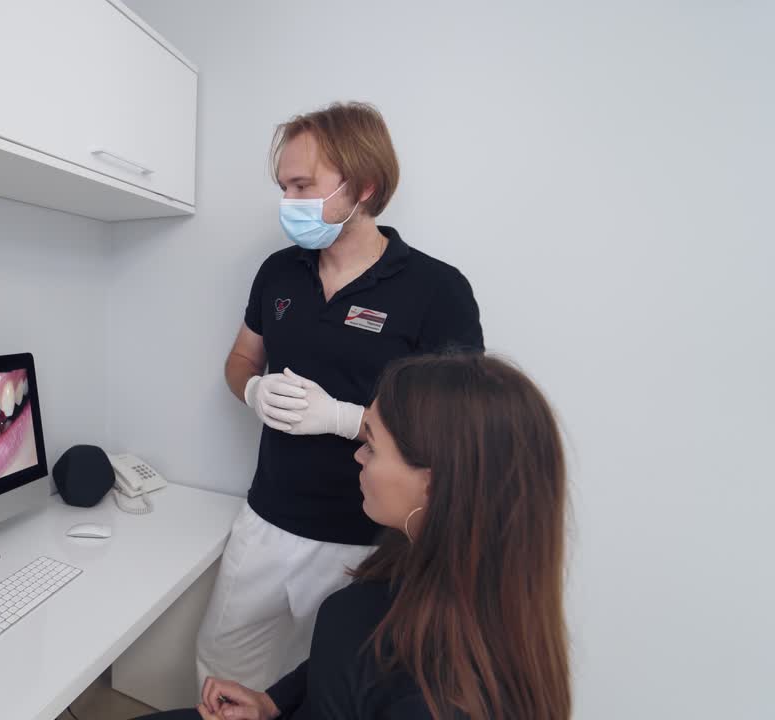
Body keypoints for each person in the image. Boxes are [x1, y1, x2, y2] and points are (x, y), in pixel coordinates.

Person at [201, 102, 484, 692]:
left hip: (369, 547)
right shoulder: (278, 272)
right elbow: (239, 360)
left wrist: (344, 418)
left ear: (364, 186)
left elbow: (456, 436)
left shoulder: (438, 291)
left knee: (324, 696)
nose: (289, 202)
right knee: (223, 678)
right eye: (283, 186)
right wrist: (252, 390)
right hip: (266, 518)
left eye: (303, 185)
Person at [142, 352, 572, 720]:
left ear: (433, 483)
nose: (358, 455)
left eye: (373, 445)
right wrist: (273, 702)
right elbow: (346, 663)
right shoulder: (417, 566)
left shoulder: (441, 695)